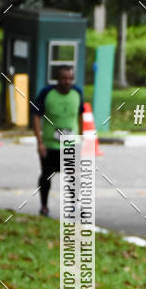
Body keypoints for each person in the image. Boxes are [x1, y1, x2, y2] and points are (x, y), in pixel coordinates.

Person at [31, 66, 84, 216]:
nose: (67, 82)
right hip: (49, 144)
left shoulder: (77, 92)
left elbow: (80, 114)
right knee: (47, 175)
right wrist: (39, 142)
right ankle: (44, 206)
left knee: (71, 174)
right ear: (57, 79)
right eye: (64, 78)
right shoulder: (47, 93)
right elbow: (35, 116)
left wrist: (81, 136)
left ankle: (72, 205)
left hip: (69, 143)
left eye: (70, 78)